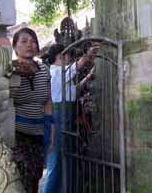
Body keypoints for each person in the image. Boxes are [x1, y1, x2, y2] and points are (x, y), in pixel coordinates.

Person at [42, 43, 99, 193]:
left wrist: (89, 76)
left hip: (67, 121)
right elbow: (78, 66)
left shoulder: (64, 74)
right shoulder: (55, 72)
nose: (70, 59)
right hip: (58, 121)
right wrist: (89, 54)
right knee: (56, 163)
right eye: (68, 55)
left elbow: (75, 90)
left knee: (68, 160)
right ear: (60, 56)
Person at [10, 27, 55, 193]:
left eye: (33, 41)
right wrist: (13, 79)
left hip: (39, 132)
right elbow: (7, 100)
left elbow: (48, 100)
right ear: (15, 47)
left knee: (35, 174)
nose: (30, 44)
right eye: (24, 41)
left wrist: (51, 125)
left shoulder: (44, 69)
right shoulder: (9, 70)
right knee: (23, 174)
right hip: (18, 133)